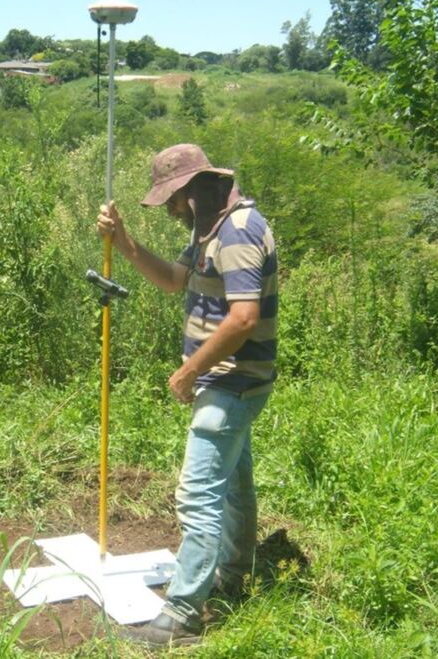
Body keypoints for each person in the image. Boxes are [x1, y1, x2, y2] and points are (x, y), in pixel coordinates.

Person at [96, 144, 278, 648]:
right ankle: (234, 574)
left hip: (230, 382)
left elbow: (243, 318)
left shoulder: (239, 231)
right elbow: (176, 281)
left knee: (197, 494)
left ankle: (182, 616)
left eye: (173, 199)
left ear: (193, 189)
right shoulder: (210, 228)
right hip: (226, 380)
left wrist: (188, 372)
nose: (172, 210)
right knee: (234, 484)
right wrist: (126, 243)